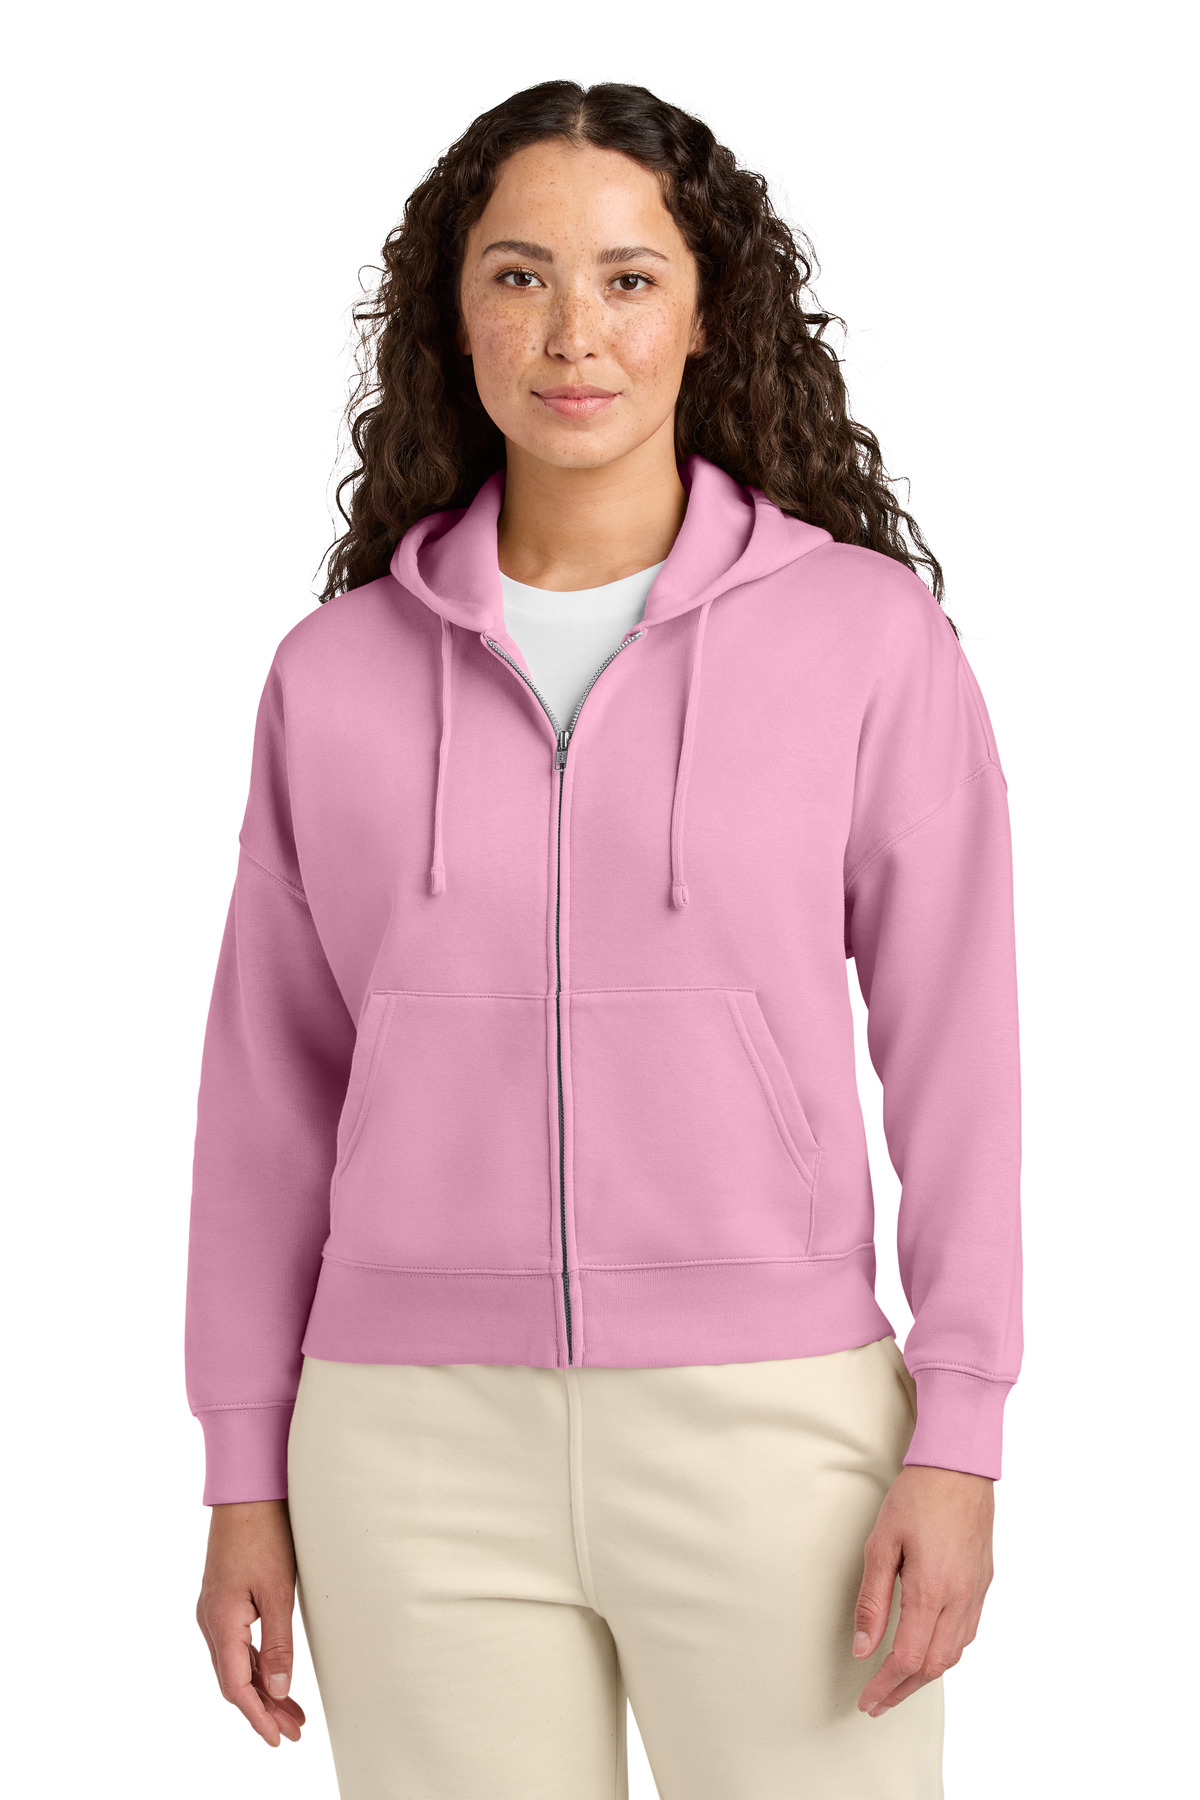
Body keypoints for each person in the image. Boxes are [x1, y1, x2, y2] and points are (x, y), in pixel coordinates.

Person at [186, 79, 1021, 1800]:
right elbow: (268, 1094)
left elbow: (962, 1061)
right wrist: (244, 1469)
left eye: (630, 279)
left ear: (709, 314)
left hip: (778, 1427)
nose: (575, 333)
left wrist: (960, 1428)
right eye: (520, 276)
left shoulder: (866, 639)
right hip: (408, 1446)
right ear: (453, 315)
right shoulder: (332, 677)